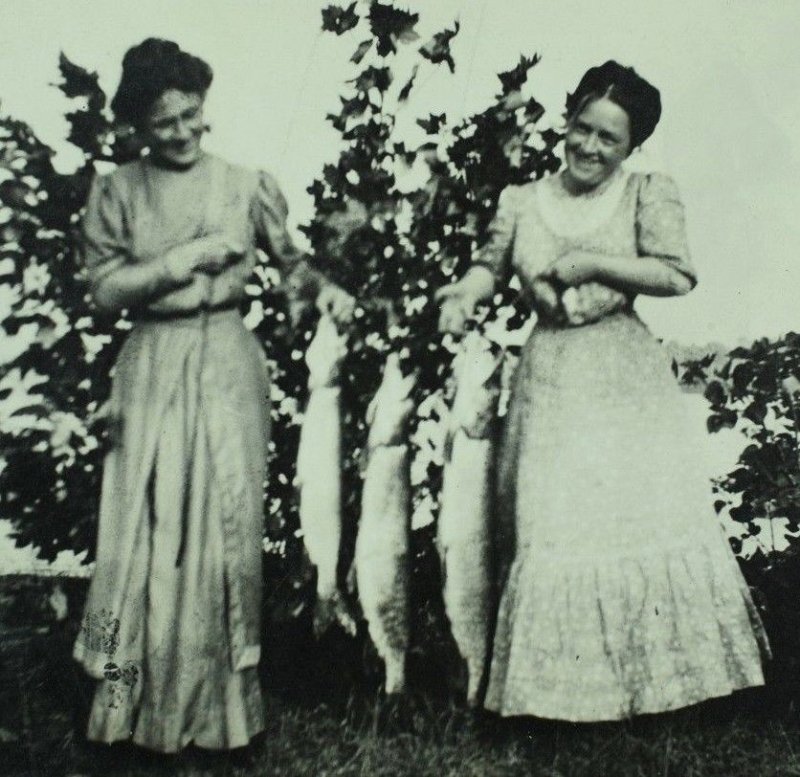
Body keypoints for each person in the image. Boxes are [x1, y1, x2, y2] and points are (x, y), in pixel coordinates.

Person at [436, 61, 768, 722]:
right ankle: (555, 702)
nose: (589, 146)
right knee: (556, 524)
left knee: (637, 518)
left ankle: (660, 695)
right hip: (551, 379)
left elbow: (676, 275)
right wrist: (463, 293)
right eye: (582, 128)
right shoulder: (521, 201)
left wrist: (591, 261)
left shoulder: (649, 191)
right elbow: (488, 265)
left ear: (632, 146)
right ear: (566, 121)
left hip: (624, 380)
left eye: (608, 139)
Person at [72, 38, 354, 753]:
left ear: (205, 107)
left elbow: (291, 267)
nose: (180, 132)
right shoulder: (117, 191)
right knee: (144, 528)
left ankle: (222, 715)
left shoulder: (243, 183)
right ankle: (125, 706)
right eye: (161, 122)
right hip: (152, 362)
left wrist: (328, 294)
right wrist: (176, 262)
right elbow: (105, 290)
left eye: (190, 114)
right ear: (136, 126)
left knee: (224, 528)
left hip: (229, 360)